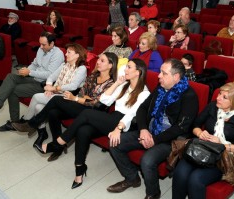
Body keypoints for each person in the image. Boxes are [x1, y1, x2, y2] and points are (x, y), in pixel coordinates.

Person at [38, 58, 150, 190]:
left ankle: (58, 143)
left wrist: (118, 129)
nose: (125, 69)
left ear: (138, 72)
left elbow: (131, 114)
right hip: (112, 118)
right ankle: (79, 171)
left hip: (125, 124)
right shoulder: (124, 85)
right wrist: (117, 84)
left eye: (129, 67)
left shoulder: (144, 92)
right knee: (83, 131)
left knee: (86, 113)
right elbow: (104, 100)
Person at [107, 58, 198, 199]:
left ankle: (153, 193)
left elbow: (180, 128)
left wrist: (154, 139)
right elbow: (142, 108)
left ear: (176, 77)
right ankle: (132, 178)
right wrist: (143, 130)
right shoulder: (161, 87)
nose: (158, 75)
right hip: (148, 131)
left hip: (169, 140)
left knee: (147, 160)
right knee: (115, 142)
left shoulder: (189, 96)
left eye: (163, 73)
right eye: (160, 72)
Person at [12, 52, 117, 161]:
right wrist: (85, 99)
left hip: (93, 113)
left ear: (110, 65)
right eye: (99, 59)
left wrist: (83, 99)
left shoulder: (111, 83)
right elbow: (82, 93)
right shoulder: (93, 76)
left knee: (56, 99)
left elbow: (97, 105)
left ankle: (32, 124)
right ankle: (57, 146)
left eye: (102, 60)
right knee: (53, 112)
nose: (98, 62)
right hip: (82, 106)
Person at [172, 82, 234, 199]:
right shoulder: (212, 106)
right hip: (202, 149)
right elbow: (195, 124)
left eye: (224, 97)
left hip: (222, 157)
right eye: (219, 94)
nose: (218, 98)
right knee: (180, 173)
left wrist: (222, 145)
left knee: (196, 179)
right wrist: (200, 133)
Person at [0, 31, 64, 132]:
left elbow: (50, 75)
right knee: (10, 77)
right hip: (33, 76)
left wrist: (30, 72)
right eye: (40, 43)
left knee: (13, 90)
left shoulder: (58, 54)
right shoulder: (41, 49)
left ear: (52, 44)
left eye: (43, 44)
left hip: (43, 84)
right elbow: (35, 63)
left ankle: (14, 122)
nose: (40, 46)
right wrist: (25, 70)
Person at [12, 43, 87, 143]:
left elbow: (73, 86)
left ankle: (27, 122)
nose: (66, 54)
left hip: (69, 97)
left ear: (77, 55)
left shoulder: (82, 69)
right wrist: (48, 89)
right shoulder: (64, 65)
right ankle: (41, 131)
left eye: (69, 52)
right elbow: (51, 77)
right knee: (38, 107)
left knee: (36, 97)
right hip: (57, 94)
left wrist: (54, 88)